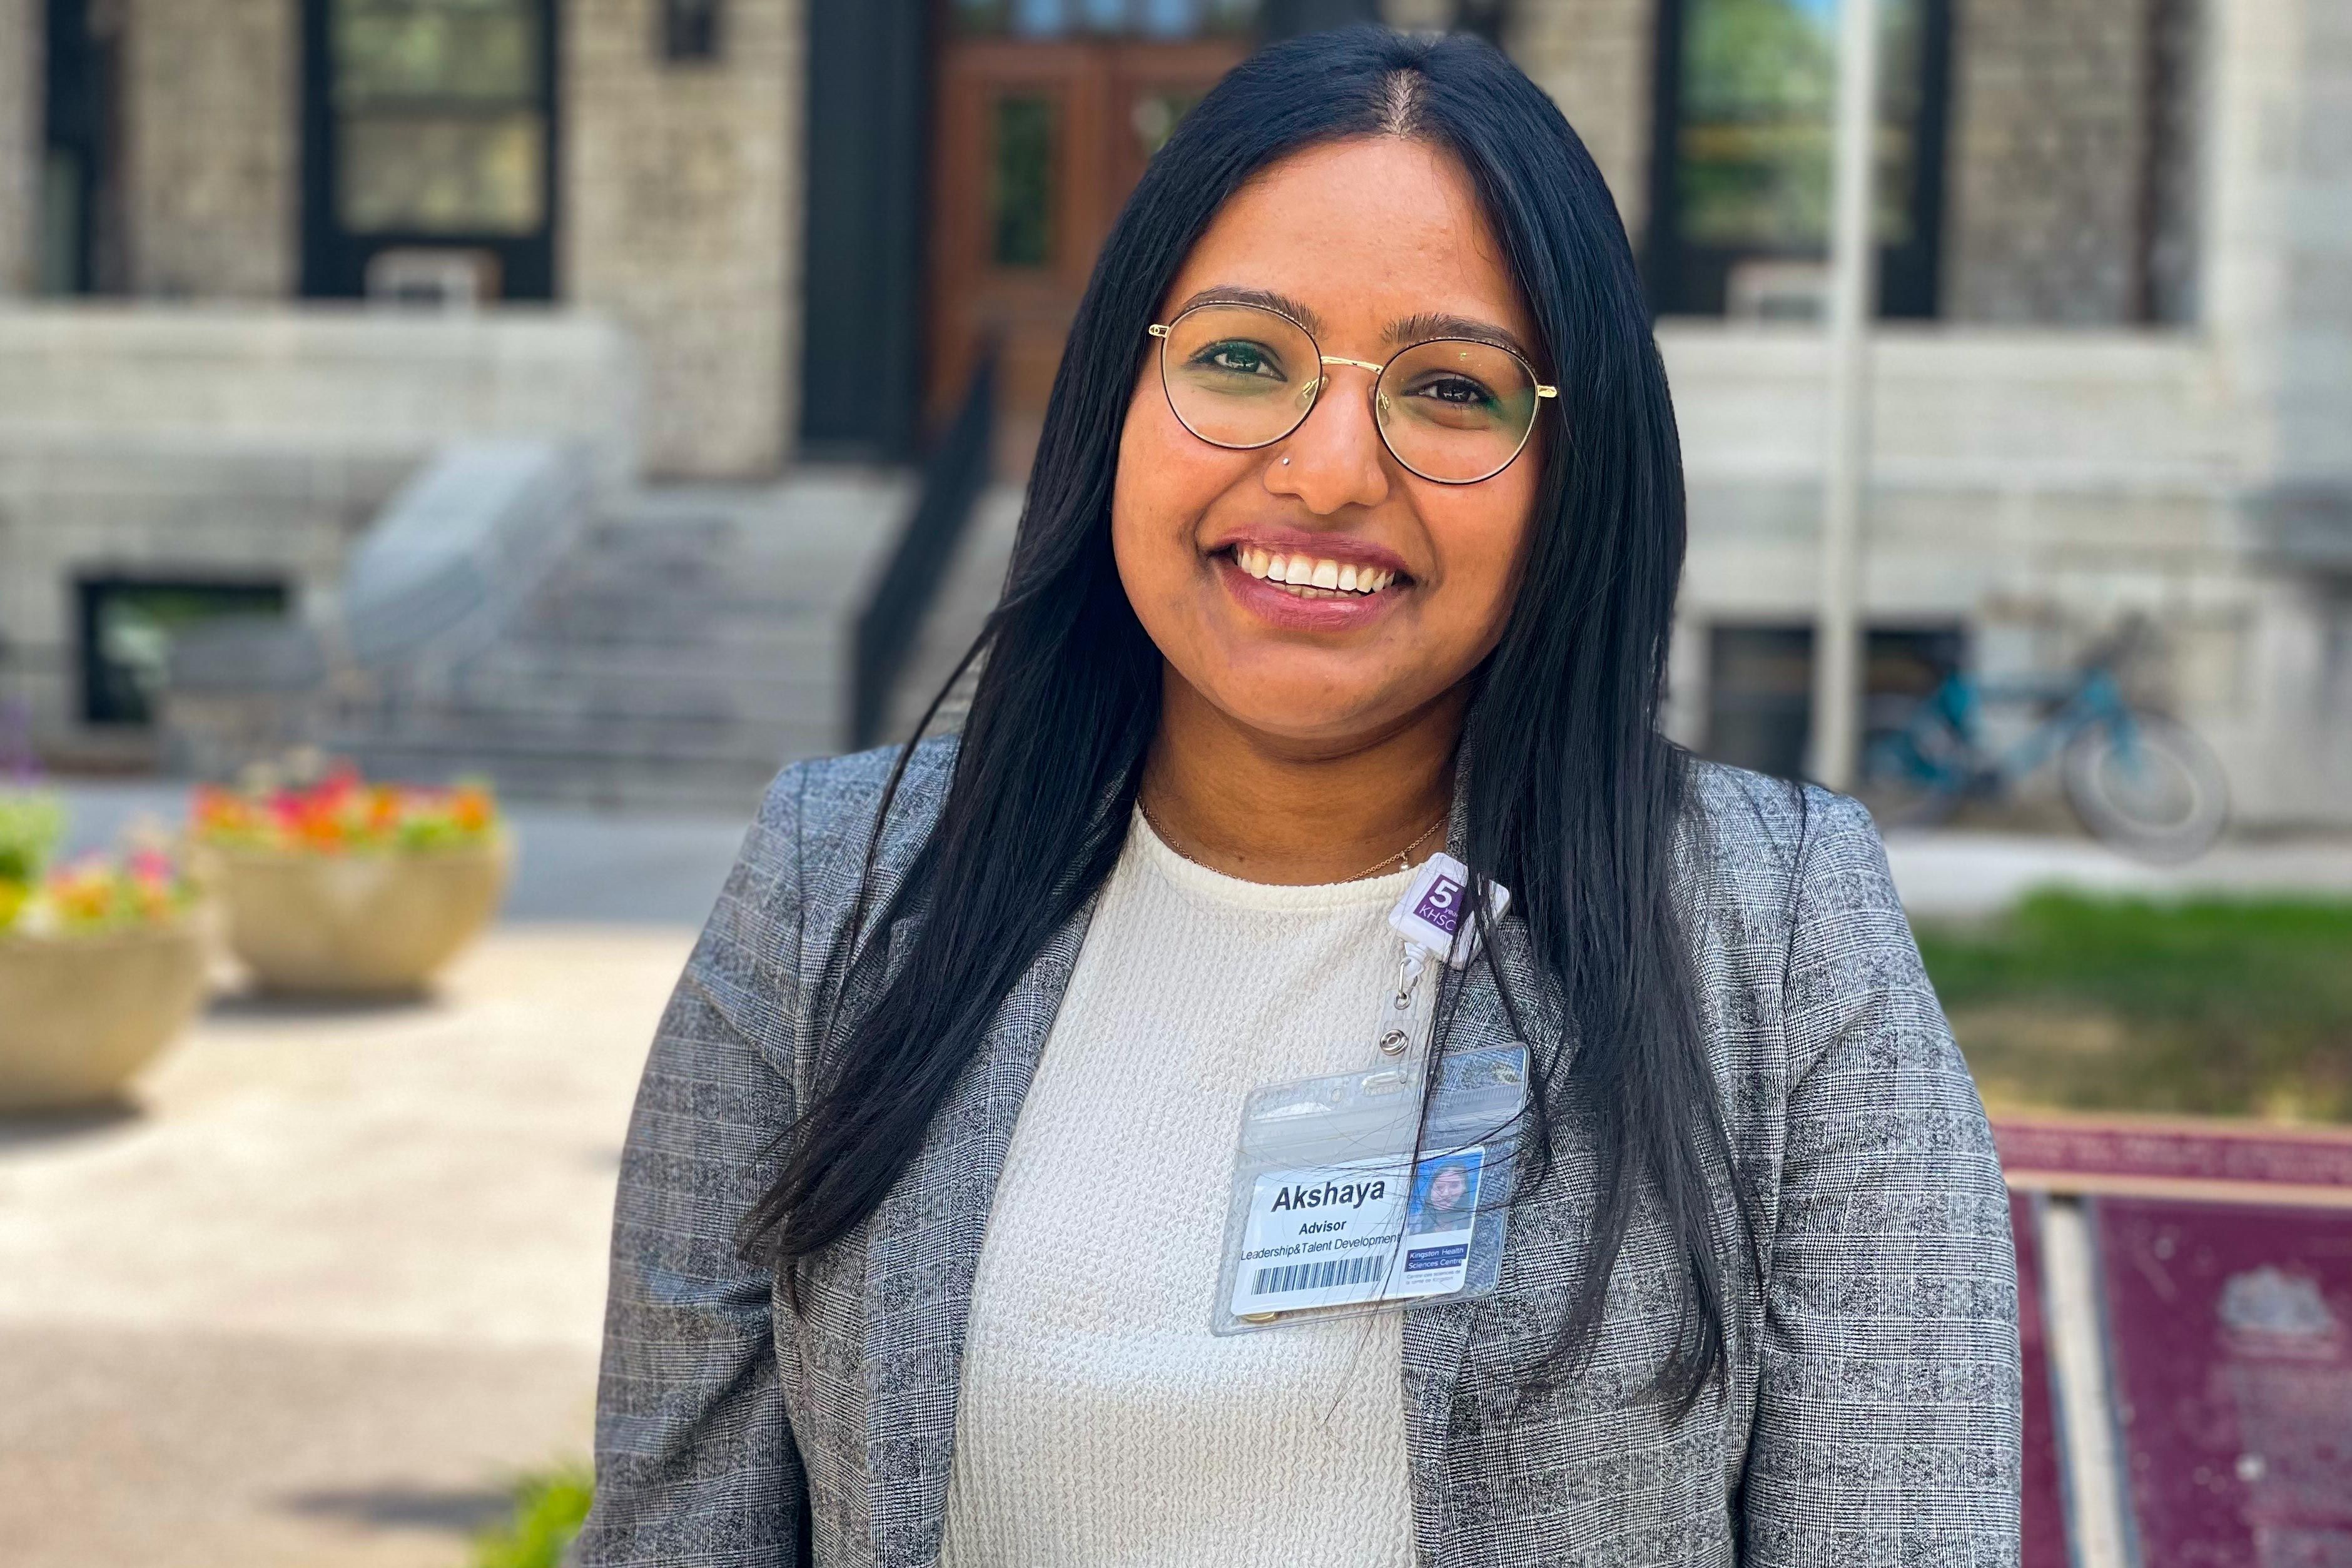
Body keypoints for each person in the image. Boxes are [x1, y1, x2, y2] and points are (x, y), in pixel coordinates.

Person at [577, 26, 2020, 1568]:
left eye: (1451, 391)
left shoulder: (1780, 937)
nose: (1328, 470)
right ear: (1117, 400)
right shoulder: (833, 890)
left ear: (1574, 473)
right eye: (1242, 359)